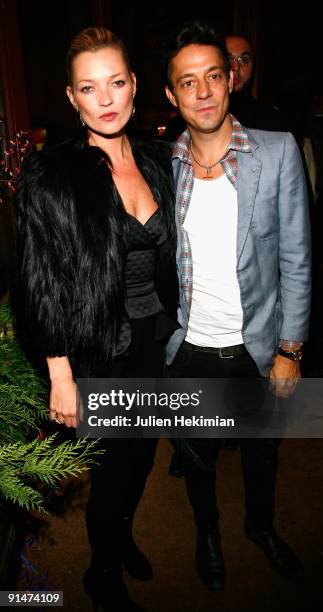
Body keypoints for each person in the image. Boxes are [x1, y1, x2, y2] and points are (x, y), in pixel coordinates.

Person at [13, 27, 178, 612]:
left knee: (142, 458)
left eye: (115, 83)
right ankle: (99, 571)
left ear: (135, 87)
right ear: (71, 97)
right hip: (98, 352)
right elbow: (37, 282)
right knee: (110, 472)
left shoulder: (159, 161)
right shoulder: (51, 175)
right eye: (90, 87)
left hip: (154, 343)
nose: (105, 99)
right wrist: (61, 374)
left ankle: (122, 537)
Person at [163, 21, 311, 593]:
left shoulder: (276, 153)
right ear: (171, 94)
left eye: (213, 77)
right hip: (191, 349)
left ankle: (260, 528)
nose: (202, 92)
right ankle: (207, 536)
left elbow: (297, 258)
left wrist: (289, 349)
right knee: (197, 461)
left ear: (231, 82)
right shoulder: (162, 164)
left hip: (257, 347)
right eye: (187, 81)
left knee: (262, 455)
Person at [225, 34, 290, 132]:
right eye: (228, 59)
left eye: (244, 60)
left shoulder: (272, 121)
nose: (236, 67)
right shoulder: (203, 116)